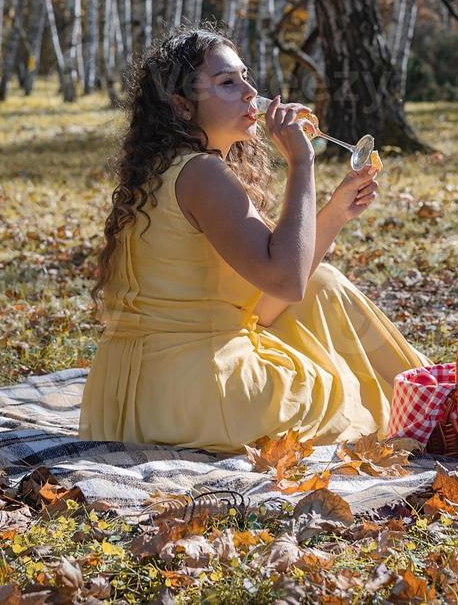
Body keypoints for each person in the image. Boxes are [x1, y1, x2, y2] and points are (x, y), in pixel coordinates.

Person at [79, 25, 431, 453]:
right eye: (228, 83)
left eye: (246, 78)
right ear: (181, 105)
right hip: (198, 396)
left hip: (127, 402)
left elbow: (266, 300)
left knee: (324, 283)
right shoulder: (204, 174)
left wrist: (336, 211)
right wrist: (302, 162)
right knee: (346, 394)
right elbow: (285, 282)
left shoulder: (169, 169)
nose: (250, 92)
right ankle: (435, 401)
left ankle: (432, 393)